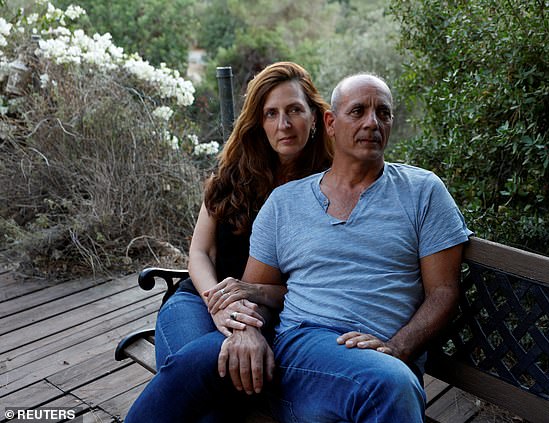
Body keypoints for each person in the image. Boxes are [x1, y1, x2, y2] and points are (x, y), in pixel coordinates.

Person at [126, 73, 471, 423]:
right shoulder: (281, 198)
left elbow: (443, 290)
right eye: (358, 112)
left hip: (372, 358)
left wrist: (397, 347)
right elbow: (225, 271)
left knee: (390, 382)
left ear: (314, 120)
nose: (372, 122)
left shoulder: (423, 191)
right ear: (332, 123)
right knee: (209, 360)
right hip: (287, 338)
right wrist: (246, 330)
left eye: (383, 113)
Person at [125, 61, 332, 422]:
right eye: (271, 113)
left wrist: (245, 317)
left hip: (274, 317)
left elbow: (319, 283)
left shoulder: (330, 186)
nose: (283, 124)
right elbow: (201, 252)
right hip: (199, 299)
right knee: (214, 381)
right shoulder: (232, 174)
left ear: (314, 117)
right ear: (259, 122)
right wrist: (219, 304)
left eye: (294, 110)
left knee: (216, 390)